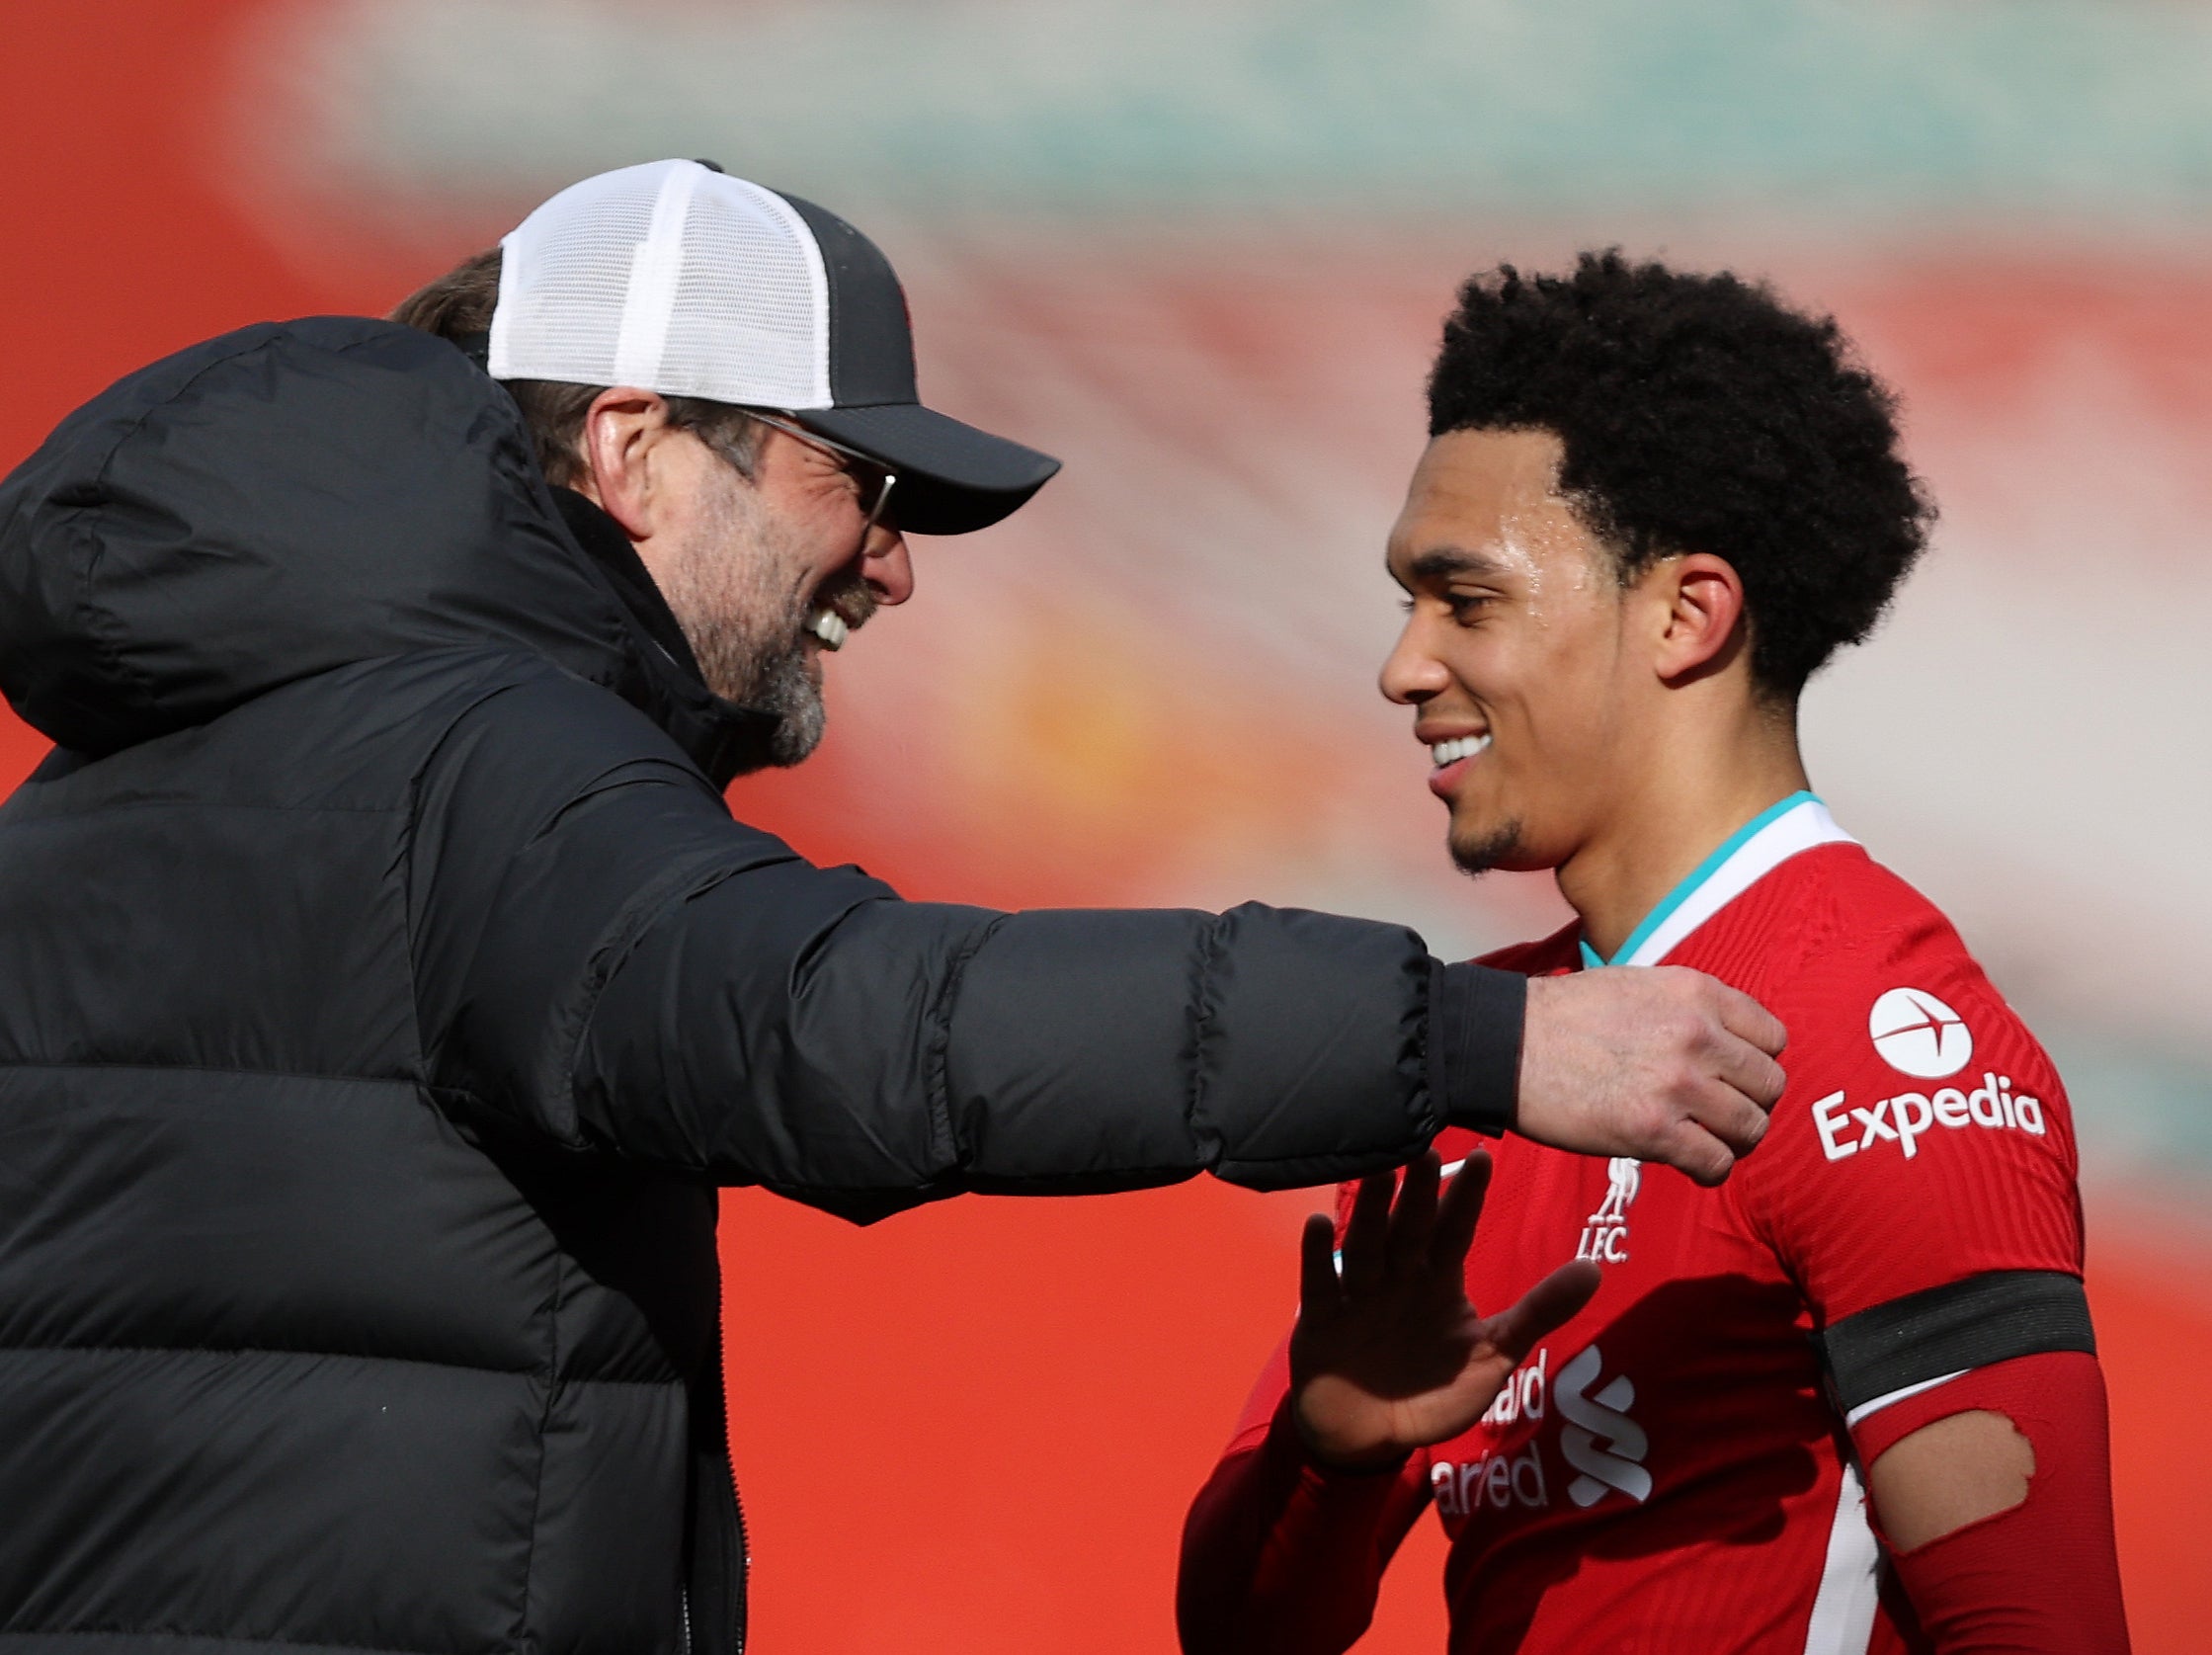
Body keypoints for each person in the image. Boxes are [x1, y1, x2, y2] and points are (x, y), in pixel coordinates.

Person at [0, 168, 1785, 1655]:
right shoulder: (488, 766)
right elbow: (853, 1029)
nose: (895, 559)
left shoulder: (99, 801)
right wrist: (1478, 1036)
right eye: (853, 478)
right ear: (633, 448)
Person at [1179, 254, 2127, 1653]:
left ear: (1687, 615)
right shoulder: (1474, 1046)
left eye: (1467, 600)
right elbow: (1245, 1636)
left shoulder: (1883, 1042)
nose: (1403, 668)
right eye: (1406, 604)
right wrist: (1337, 1446)